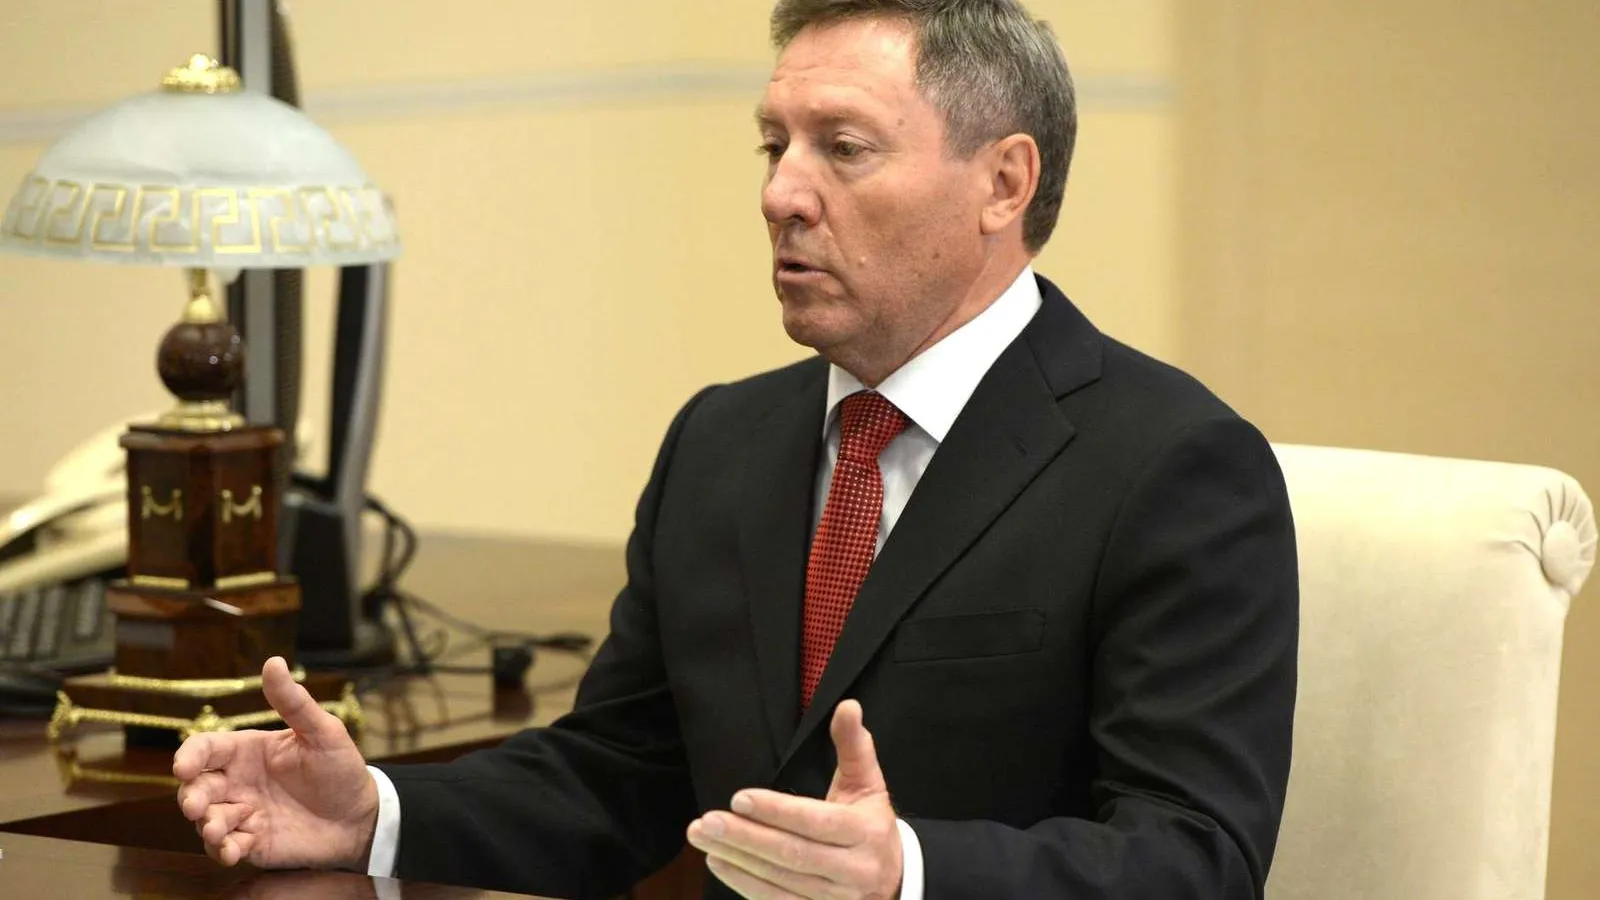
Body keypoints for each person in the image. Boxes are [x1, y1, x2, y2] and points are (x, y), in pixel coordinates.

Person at [173, 1, 1300, 897]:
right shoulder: (720, 440)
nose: (779, 194)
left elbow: (1193, 858)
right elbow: (621, 773)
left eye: (842, 149)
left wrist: (908, 874)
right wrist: (374, 813)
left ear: (1004, 182)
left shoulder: (1173, 466)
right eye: (773, 145)